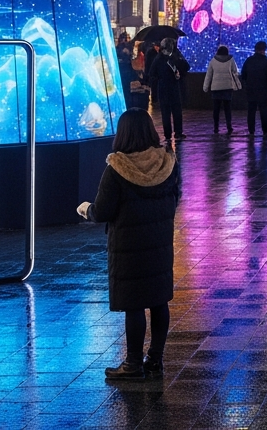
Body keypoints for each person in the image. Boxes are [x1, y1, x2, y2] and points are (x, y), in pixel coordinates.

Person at [78, 110, 180, 382]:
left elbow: (103, 211)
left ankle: (133, 364)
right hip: (159, 244)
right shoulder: (168, 162)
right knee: (159, 301)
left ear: (122, 133)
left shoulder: (117, 169)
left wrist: (86, 209)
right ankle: (155, 360)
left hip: (128, 248)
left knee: (134, 305)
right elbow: (174, 200)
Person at [147, 38, 190, 144]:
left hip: (165, 88)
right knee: (174, 111)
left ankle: (169, 134)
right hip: (172, 87)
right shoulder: (172, 57)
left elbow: (152, 73)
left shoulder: (159, 58)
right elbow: (186, 67)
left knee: (167, 112)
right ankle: (176, 132)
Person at [202, 45, 241, 134]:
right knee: (227, 109)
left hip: (216, 88)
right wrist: (238, 85)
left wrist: (205, 87)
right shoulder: (231, 60)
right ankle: (229, 126)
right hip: (228, 87)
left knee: (216, 109)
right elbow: (235, 72)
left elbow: (209, 75)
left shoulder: (213, 61)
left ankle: (216, 127)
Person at [240, 41, 267, 138]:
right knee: (264, 111)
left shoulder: (248, 61)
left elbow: (243, 75)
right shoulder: (266, 62)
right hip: (263, 90)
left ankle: (251, 131)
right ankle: (265, 131)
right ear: (264, 50)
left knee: (251, 111)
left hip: (251, 90)